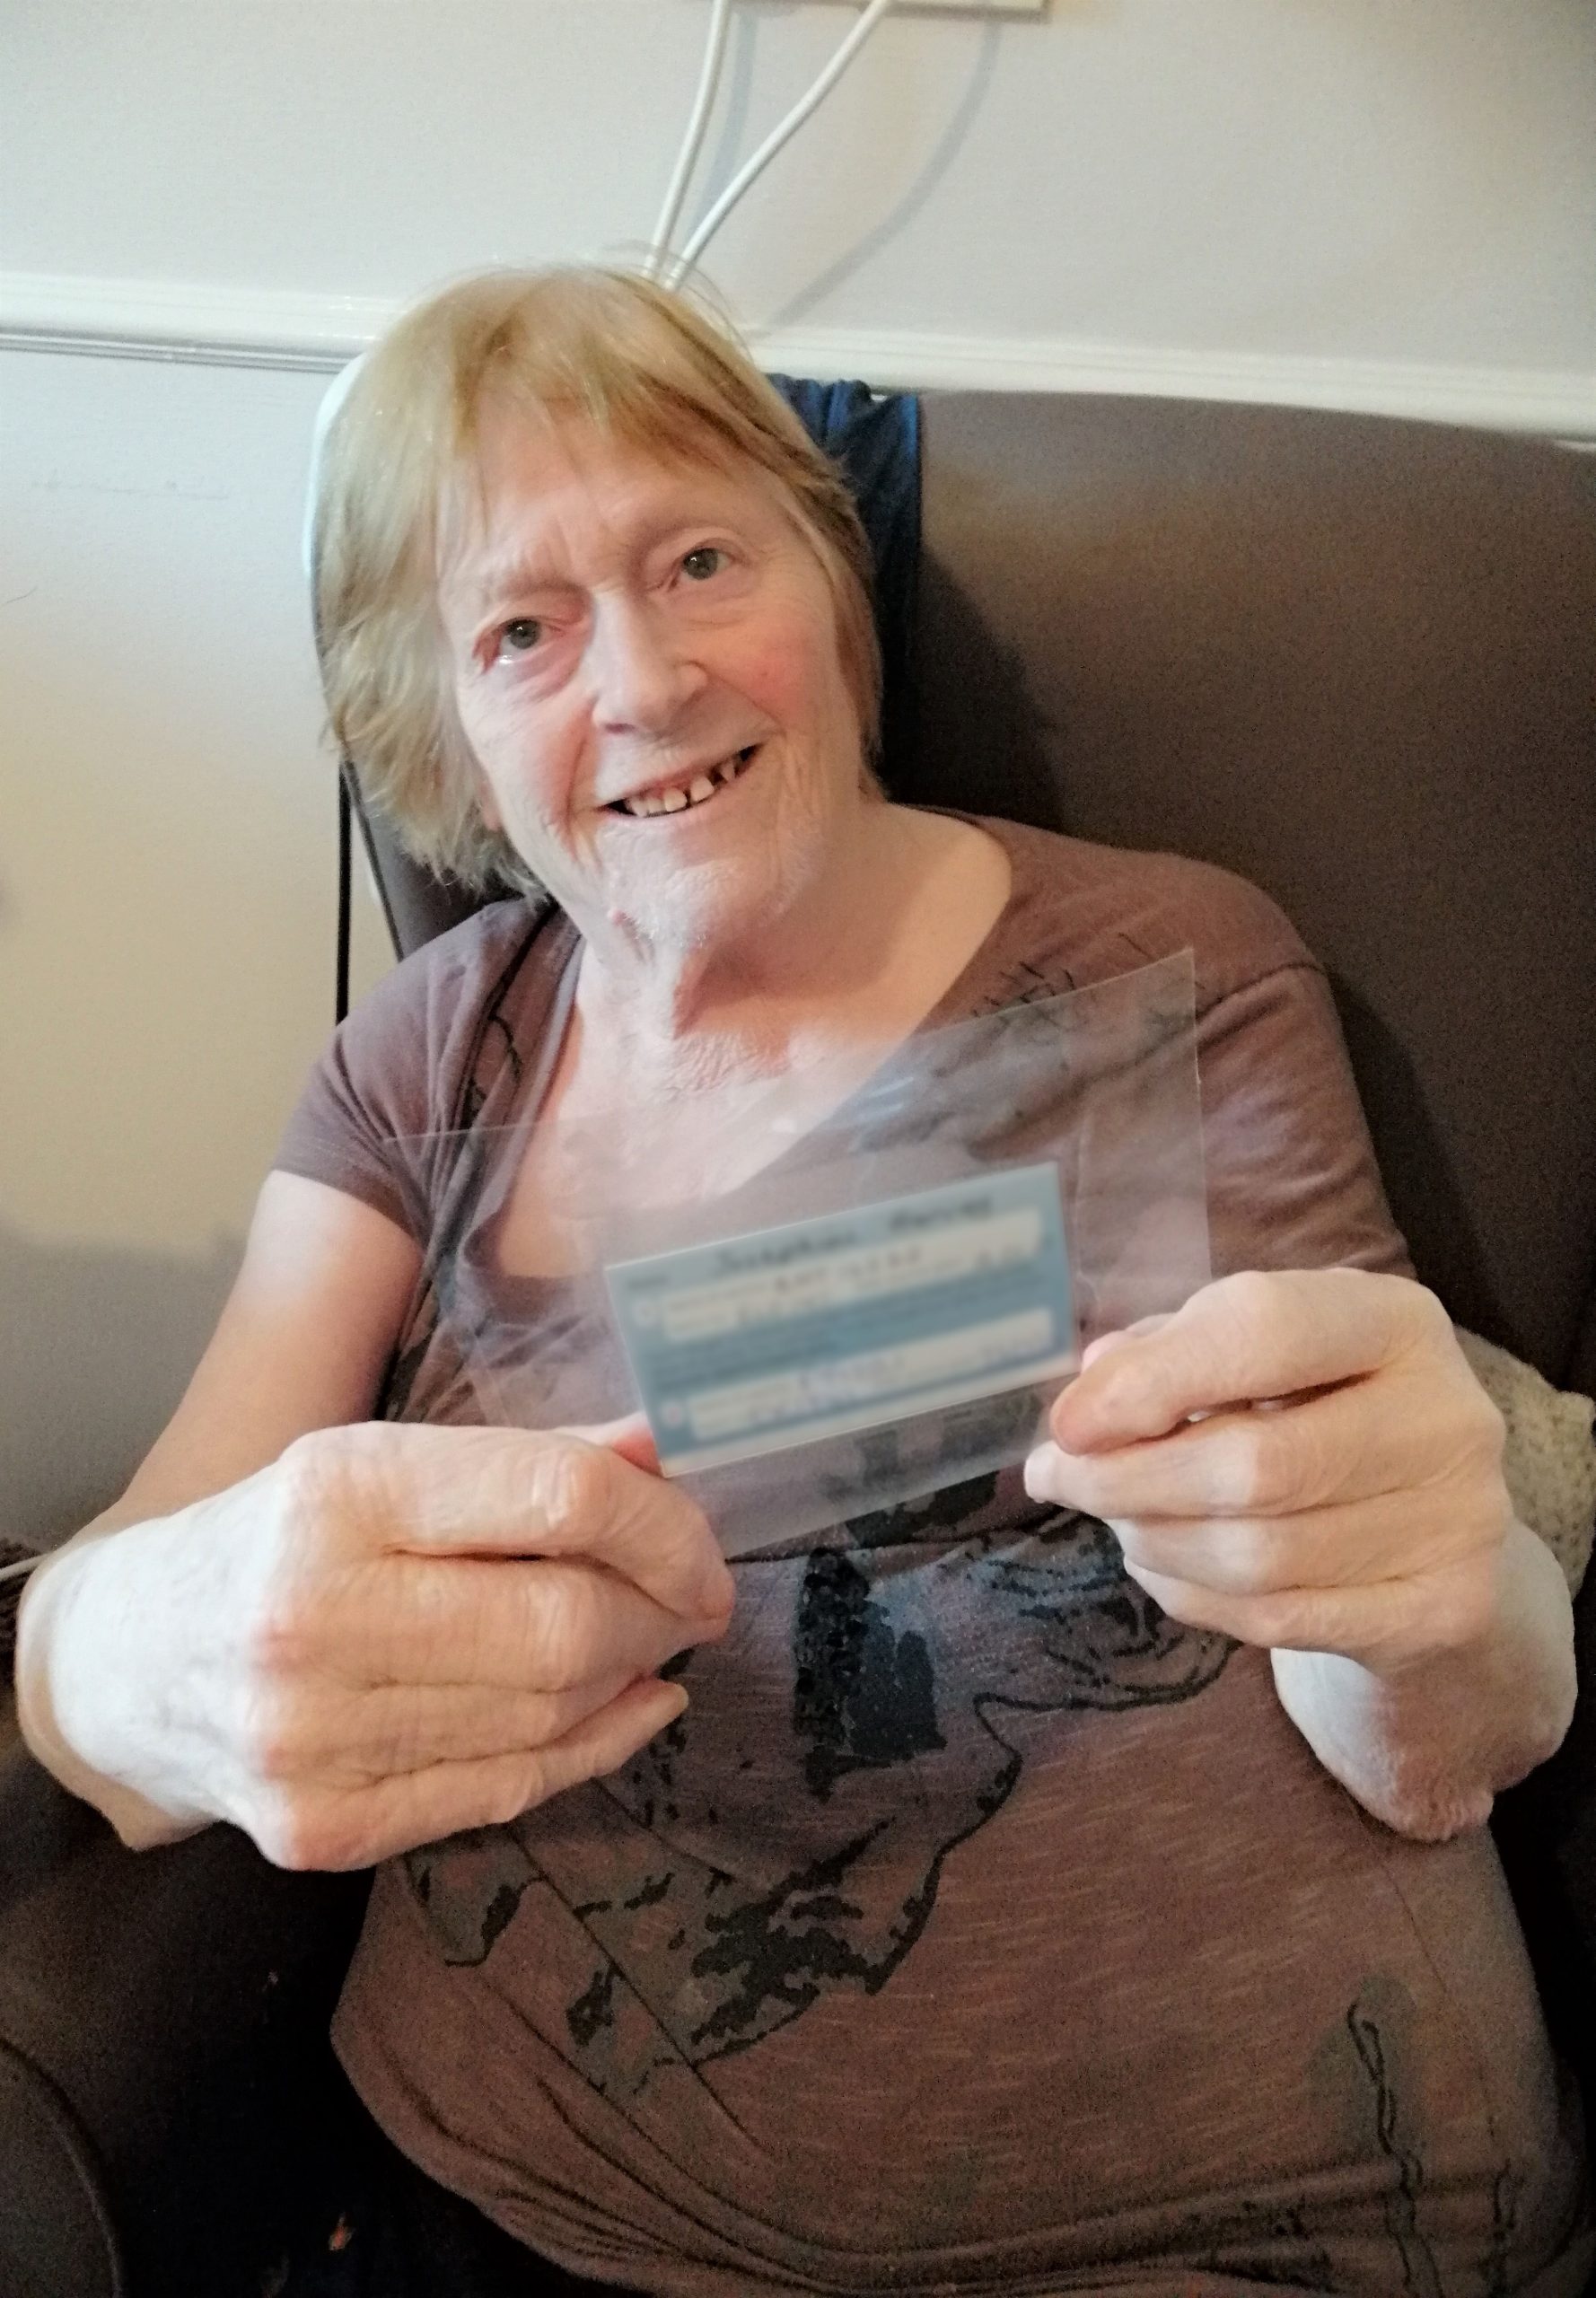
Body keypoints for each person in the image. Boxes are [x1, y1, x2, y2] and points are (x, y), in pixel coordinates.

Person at [13, 268, 1590, 2296]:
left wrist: (1451, 1598)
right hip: (549, 2220)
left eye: (698, 561)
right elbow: (126, 1630)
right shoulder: (424, 1061)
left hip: (1240, 2226)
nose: (646, 681)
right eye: (521, 630)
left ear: (832, 598)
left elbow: (1425, 1729)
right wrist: (120, 1654)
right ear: (448, 738)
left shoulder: (1170, 968)